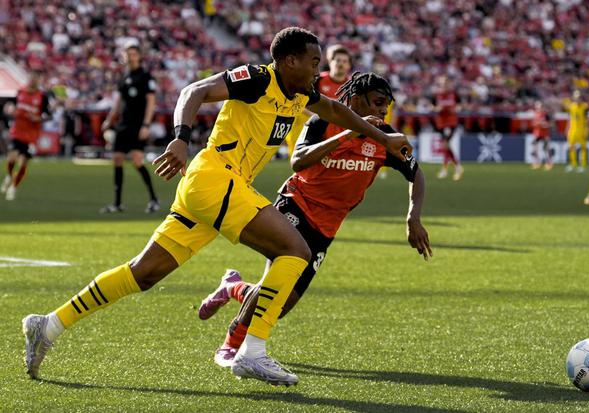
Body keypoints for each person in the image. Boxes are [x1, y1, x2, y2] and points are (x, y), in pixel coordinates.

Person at [21, 27, 412, 387]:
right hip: (215, 178)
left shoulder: (301, 94)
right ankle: (252, 351)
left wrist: (383, 137)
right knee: (295, 251)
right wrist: (180, 138)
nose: (318, 70)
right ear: (289, 61)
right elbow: (194, 91)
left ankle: (49, 324)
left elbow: (336, 111)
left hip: (215, 188)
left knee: (144, 273)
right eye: (313, 62)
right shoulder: (257, 78)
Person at [198, 72, 432, 374]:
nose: (382, 111)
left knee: (281, 306)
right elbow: (298, 161)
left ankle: (233, 287)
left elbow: (416, 173)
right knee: (275, 285)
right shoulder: (322, 122)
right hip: (296, 205)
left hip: (328, 225)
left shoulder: (385, 136)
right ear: (355, 100)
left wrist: (413, 216)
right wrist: (349, 134)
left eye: (386, 106)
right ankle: (231, 344)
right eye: (377, 103)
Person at [100, 44, 159, 214]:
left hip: (138, 124)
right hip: (123, 124)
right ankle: (117, 203)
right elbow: (119, 101)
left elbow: (151, 102)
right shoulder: (124, 76)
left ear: (139, 56)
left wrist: (146, 125)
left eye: (133, 54)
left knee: (137, 160)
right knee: (117, 158)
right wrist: (109, 119)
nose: (131, 57)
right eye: (128, 54)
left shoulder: (145, 76)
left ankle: (153, 200)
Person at [284, 44, 352, 157]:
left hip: (336, 128)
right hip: (310, 123)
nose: (340, 64)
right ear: (330, 62)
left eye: (344, 61)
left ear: (349, 65)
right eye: (337, 60)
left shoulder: (352, 86)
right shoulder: (317, 79)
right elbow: (300, 100)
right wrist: (317, 118)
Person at [1, 70, 50, 201]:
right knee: (11, 158)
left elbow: (48, 115)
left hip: (31, 135)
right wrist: (9, 109)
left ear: (39, 80)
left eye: (36, 78)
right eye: (31, 77)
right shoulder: (20, 92)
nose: (33, 80)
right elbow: (10, 105)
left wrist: (38, 118)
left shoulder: (42, 97)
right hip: (17, 131)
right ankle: (9, 175)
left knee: (23, 163)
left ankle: (13, 187)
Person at [434, 76, 462, 180]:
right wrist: (437, 108)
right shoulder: (437, 95)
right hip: (441, 123)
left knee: (445, 144)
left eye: (444, 83)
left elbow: (459, 105)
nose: (443, 86)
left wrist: (457, 108)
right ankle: (456, 167)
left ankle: (447, 169)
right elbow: (433, 106)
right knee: (446, 146)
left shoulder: (453, 94)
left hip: (451, 122)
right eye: (441, 84)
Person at [564, 90, 589, 173]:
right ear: (574, 98)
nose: (578, 99)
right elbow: (570, 119)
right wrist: (567, 129)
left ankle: (583, 165)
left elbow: (587, 119)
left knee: (583, 148)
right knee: (571, 147)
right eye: (576, 97)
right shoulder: (571, 106)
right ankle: (573, 164)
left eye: (579, 97)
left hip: (582, 129)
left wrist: (587, 129)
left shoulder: (585, 106)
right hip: (573, 129)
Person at [530, 100, 553, 170]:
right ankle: (537, 163)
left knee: (546, 148)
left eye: (540, 107)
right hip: (537, 133)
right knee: (535, 149)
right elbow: (533, 124)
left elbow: (551, 124)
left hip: (544, 134)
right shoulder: (535, 114)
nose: (538, 108)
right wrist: (538, 124)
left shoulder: (546, 115)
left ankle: (549, 163)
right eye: (537, 107)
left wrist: (545, 125)